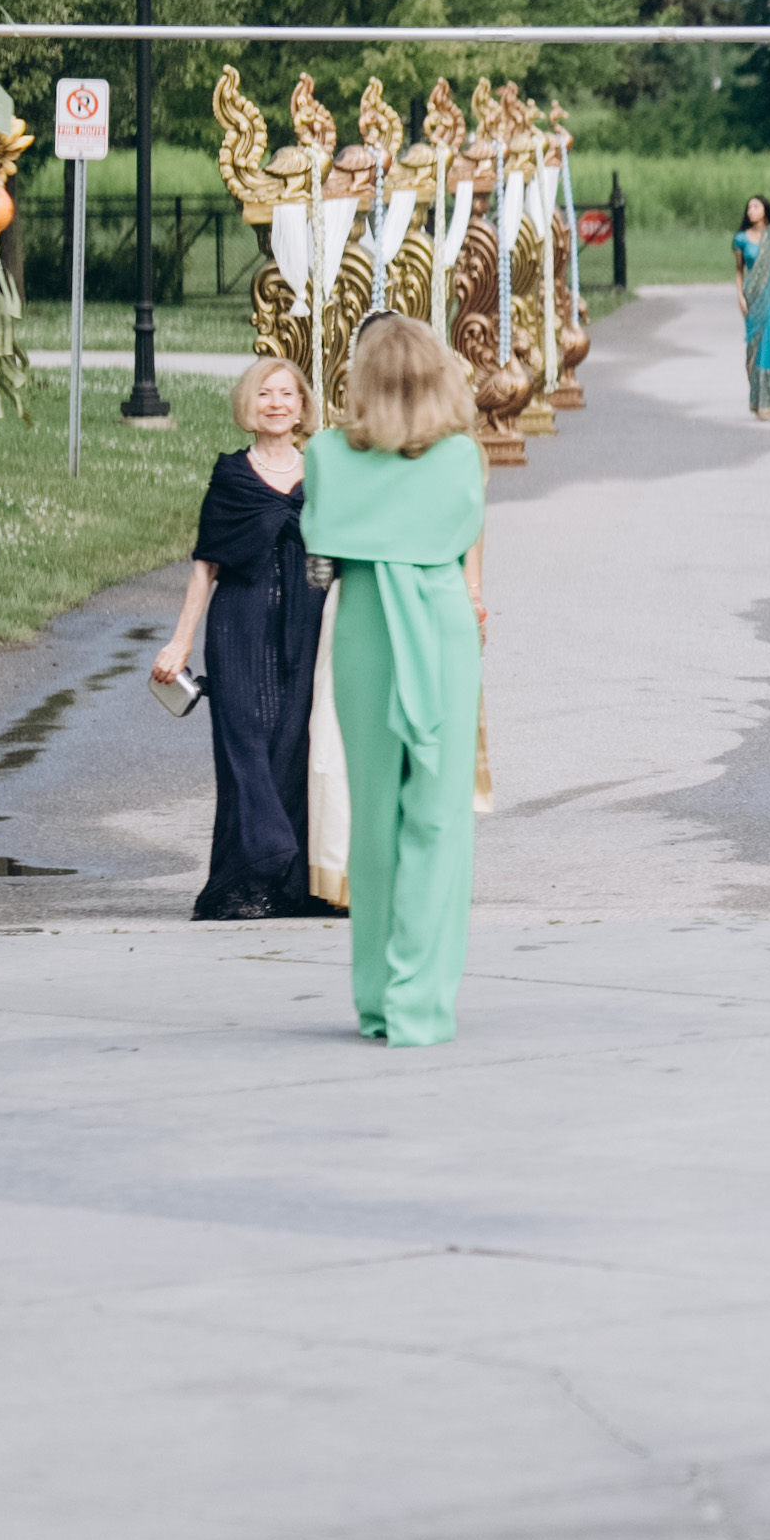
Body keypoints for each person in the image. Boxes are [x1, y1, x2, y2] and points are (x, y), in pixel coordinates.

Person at [302, 313, 489, 1045]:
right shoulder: (460, 457)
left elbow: (320, 559)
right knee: (437, 820)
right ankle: (420, 1001)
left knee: (373, 817)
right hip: (438, 623)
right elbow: (458, 539)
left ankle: (377, 999)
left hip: (364, 624)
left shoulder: (325, 453)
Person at [143, 356, 327, 922]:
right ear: (249, 405)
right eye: (265, 393)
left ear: (302, 406)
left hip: (306, 626)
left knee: (292, 747)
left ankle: (279, 887)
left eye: (287, 394)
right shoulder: (232, 476)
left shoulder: (324, 474)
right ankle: (270, 848)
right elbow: (206, 565)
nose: (276, 403)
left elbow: (334, 559)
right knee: (243, 744)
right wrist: (180, 642)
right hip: (238, 627)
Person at [730, 193, 770, 422]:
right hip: (753, 300)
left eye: (755, 207)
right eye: (749, 208)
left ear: (765, 209)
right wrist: (740, 296)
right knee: (754, 352)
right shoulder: (741, 239)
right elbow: (739, 270)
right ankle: (760, 403)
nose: (751, 211)